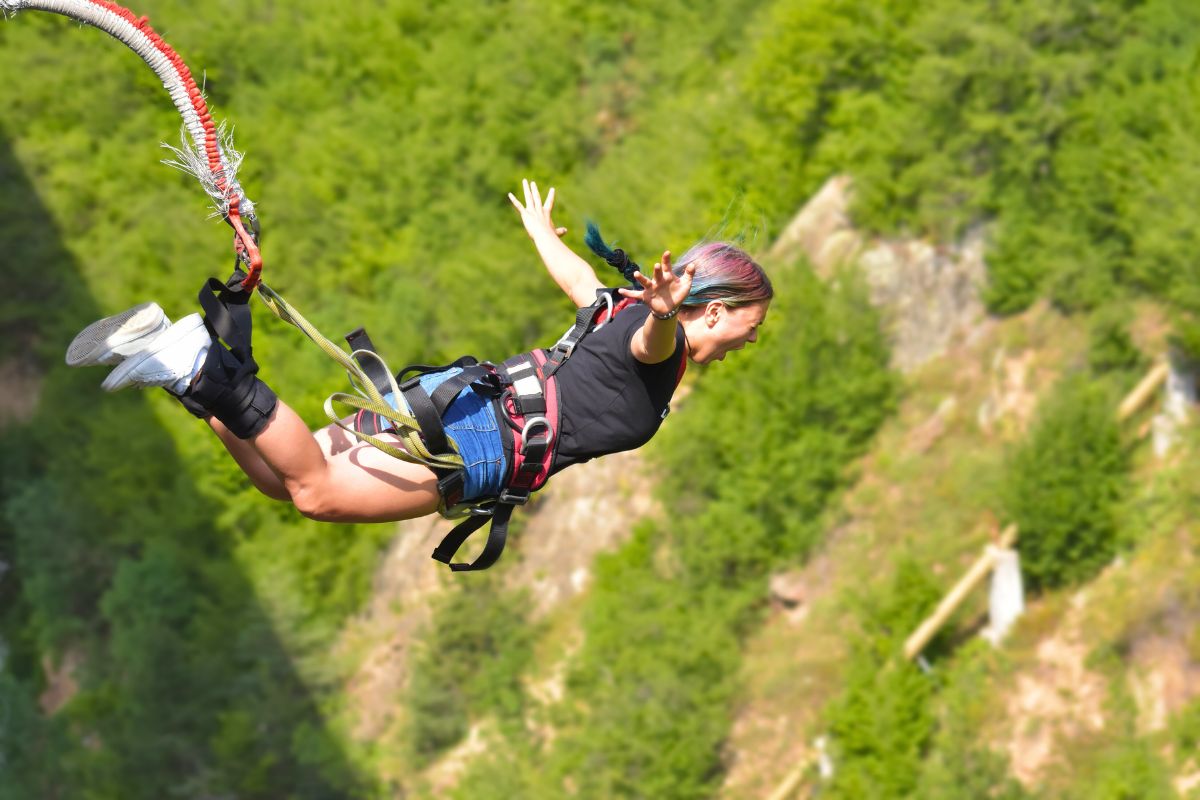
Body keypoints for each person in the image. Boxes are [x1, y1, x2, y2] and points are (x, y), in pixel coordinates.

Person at [66, 180, 772, 527]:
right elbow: (651, 344)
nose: (750, 344)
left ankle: (187, 376)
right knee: (315, 493)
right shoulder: (662, 339)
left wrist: (540, 233)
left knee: (284, 481)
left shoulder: (618, 305)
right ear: (716, 310)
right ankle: (197, 363)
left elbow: (581, 283)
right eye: (753, 329)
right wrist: (664, 313)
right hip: (478, 439)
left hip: (463, 400)